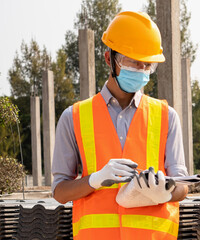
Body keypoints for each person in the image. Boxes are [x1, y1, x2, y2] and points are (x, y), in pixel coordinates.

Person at [51, 11, 188, 240]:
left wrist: (164, 189)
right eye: (132, 61)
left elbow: (183, 187)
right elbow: (59, 192)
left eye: (147, 65)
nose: (141, 70)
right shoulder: (73, 117)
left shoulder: (167, 117)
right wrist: (94, 180)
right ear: (108, 59)